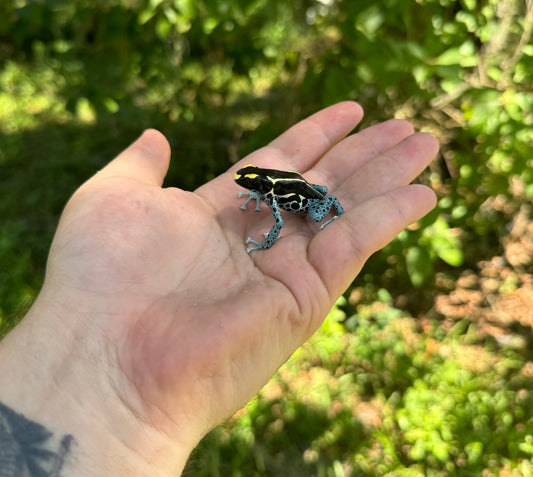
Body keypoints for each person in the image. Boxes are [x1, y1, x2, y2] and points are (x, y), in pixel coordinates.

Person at [0, 102, 439, 476]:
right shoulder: (264, 185)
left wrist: (272, 234)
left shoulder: (277, 192)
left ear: (260, 184)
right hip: (298, 190)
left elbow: (280, 219)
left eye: (251, 185)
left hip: (310, 199)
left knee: (324, 211)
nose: (245, 184)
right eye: (247, 182)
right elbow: (264, 195)